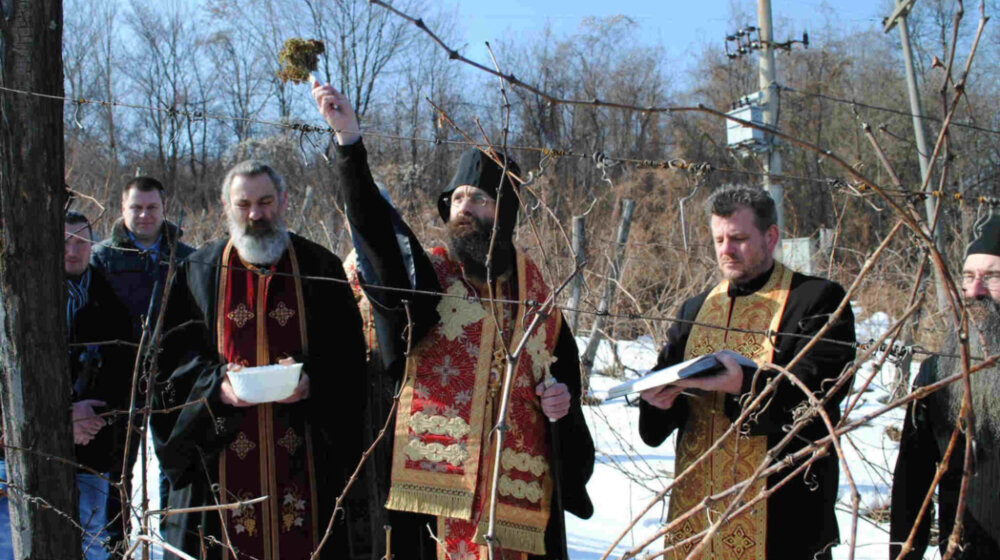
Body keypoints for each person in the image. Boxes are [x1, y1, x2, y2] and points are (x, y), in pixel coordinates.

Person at [314, 80, 595, 560]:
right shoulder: (430, 276)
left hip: (518, 504)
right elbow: (379, 238)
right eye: (458, 199)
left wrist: (560, 398)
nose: (464, 208)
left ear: (505, 212)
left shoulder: (537, 289)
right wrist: (349, 143)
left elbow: (562, 373)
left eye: (480, 199)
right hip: (430, 502)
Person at [150, 161, 367, 560]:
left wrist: (312, 380)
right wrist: (216, 386)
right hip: (220, 456)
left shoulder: (320, 267)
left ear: (283, 200)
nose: (255, 214)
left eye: (266, 201)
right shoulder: (198, 271)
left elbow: (350, 361)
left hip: (306, 455)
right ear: (224, 205)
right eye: (243, 203)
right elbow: (168, 367)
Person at [638, 186, 856, 560]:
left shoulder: (818, 299)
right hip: (698, 517)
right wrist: (658, 402)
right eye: (719, 239)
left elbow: (821, 396)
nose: (726, 249)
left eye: (738, 238)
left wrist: (745, 385)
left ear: (770, 237)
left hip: (782, 518)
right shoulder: (695, 309)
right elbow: (658, 417)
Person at [0, 212, 134, 560]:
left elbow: (125, 378)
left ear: (94, 246)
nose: (72, 251)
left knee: (90, 541)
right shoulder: (19, 299)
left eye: (81, 242)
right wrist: (59, 417)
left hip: (89, 446)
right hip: (19, 445)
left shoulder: (112, 306)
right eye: (63, 242)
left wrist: (89, 416)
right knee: (10, 539)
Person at [90, 175, 194, 549]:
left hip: (173, 377)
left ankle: (170, 543)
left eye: (152, 207)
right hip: (119, 379)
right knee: (119, 465)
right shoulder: (102, 258)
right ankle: (115, 546)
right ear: (123, 209)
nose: (145, 215)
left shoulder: (186, 257)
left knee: (173, 463)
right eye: (136, 207)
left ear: (164, 209)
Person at [889, 215, 1000, 559]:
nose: (975, 291)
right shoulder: (938, 372)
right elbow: (913, 481)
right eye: (968, 277)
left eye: (993, 276)